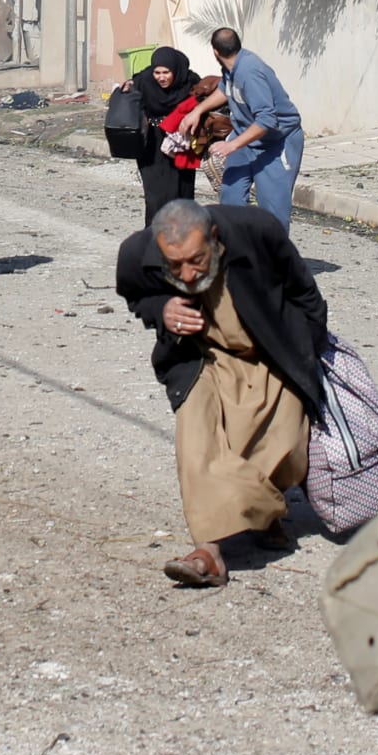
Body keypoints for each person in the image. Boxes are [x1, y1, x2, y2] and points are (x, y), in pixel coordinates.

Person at [115, 199, 325, 588]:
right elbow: (136, 296)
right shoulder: (137, 253)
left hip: (270, 354)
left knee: (282, 448)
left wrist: (305, 357)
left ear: (214, 238)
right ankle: (208, 553)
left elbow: (307, 297)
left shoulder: (257, 231)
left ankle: (263, 514)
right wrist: (163, 309)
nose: (189, 274)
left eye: (196, 260)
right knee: (197, 444)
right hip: (201, 357)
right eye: (175, 266)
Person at [178, 27, 305, 228]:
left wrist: (232, 145)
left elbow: (266, 120)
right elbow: (224, 90)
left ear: (215, 52)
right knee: (231, 196)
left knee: (273, 210)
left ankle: (273, 256)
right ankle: (238, 249)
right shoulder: (231, 68)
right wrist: (197, 111)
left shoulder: (250, 72)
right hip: (246, 138)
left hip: (276, 142)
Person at [120, 46, 202, 223]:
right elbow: (128, 101)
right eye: (157, 72)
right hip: (152, 143)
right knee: (156, 196)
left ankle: (184, 239)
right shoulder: (143, 81)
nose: (161, 77)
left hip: (181, 142)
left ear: (176, 70)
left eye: (166, 72)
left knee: (182, 193)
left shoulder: (190, 82)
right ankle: (155, 238)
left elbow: (204, 102)